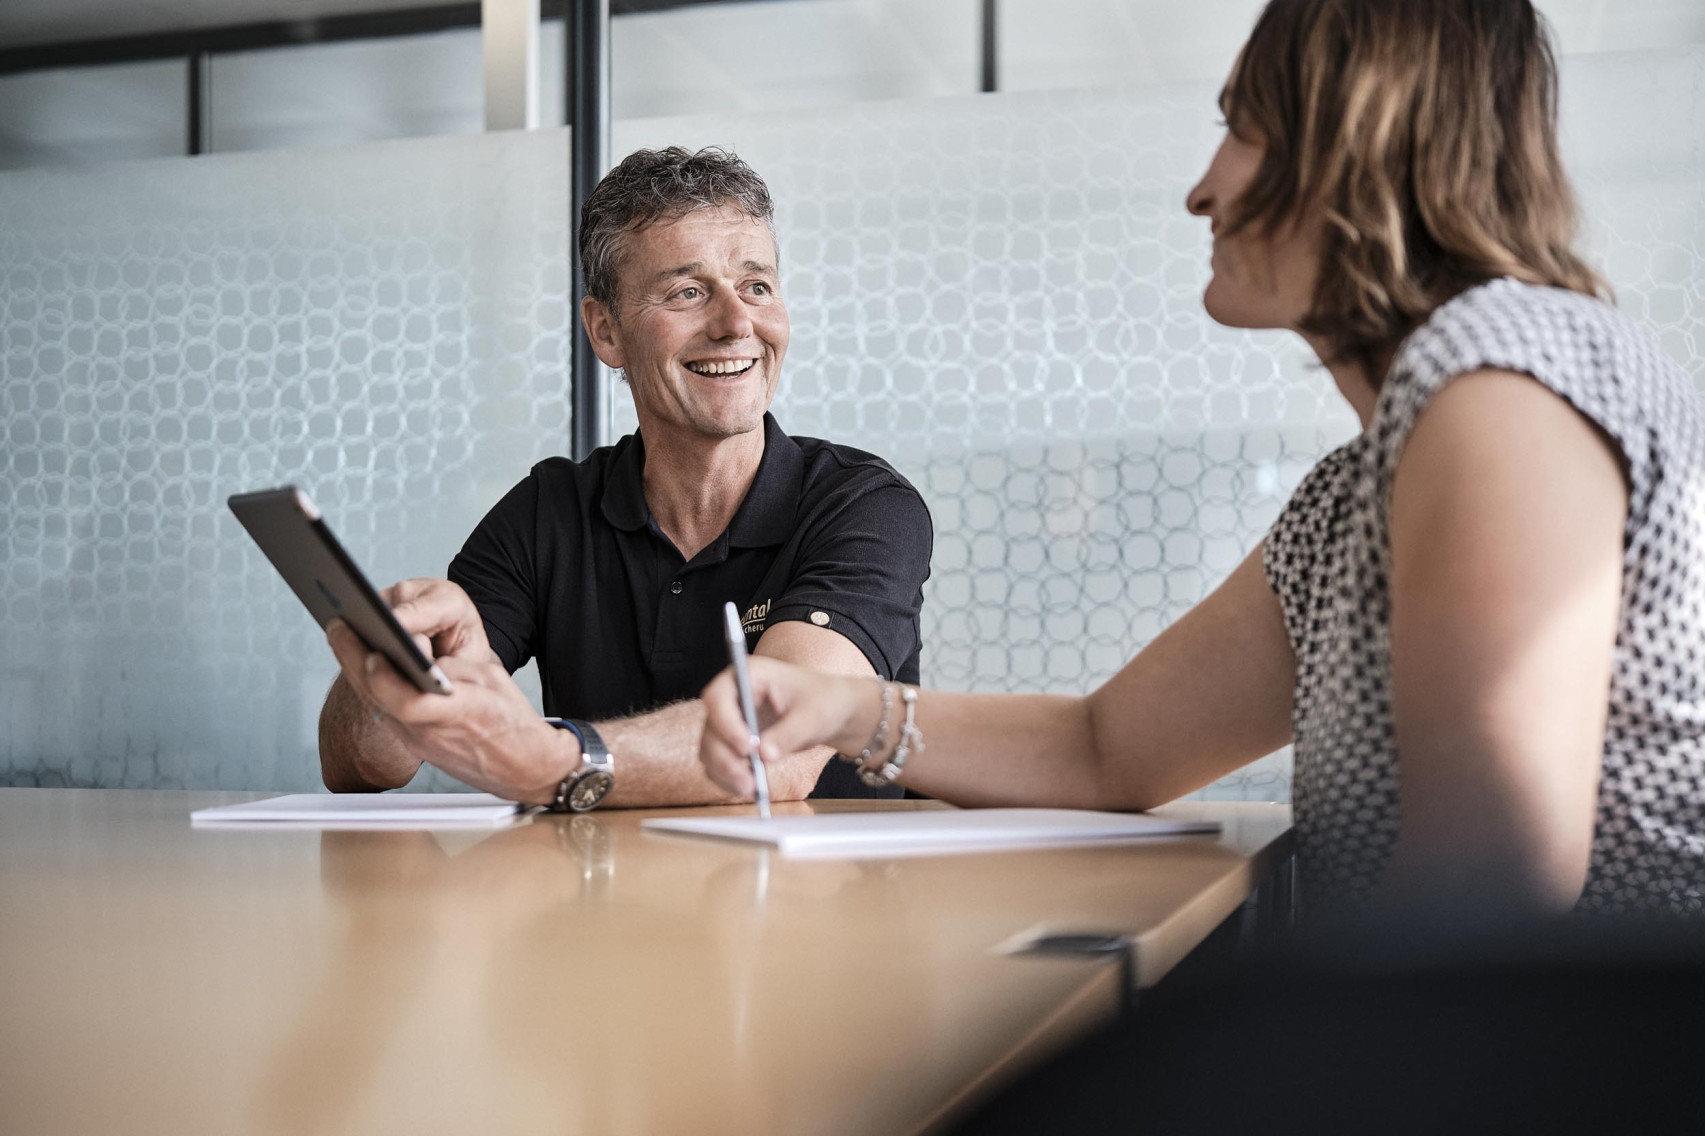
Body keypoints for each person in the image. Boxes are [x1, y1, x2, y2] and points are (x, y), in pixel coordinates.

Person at [700, 0, 1705, 918]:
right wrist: (842, 705)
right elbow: (1105, 748)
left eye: (1238, 130)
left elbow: (1491, 885)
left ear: (1352, 140)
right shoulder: (1349, 497)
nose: (1200, 188)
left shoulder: (1499, 380)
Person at [319, 147, 933, 808]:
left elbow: (773, 752)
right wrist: (388, 663)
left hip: (817, 906)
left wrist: (546, 759)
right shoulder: (545, 513)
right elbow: (362, 768)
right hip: (602, 905)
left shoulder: (865, 508)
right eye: (688, 292)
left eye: (756, 286)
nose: (736, 323)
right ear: (606, 331)